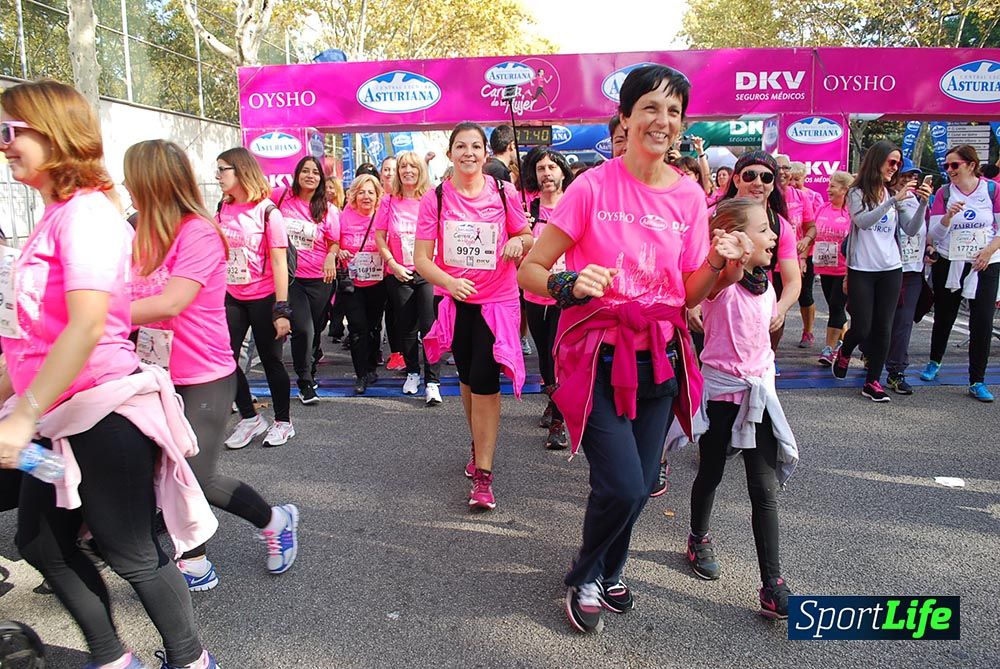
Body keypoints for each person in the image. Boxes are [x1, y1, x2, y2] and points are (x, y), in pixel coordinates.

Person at [0, 80, 219, 669]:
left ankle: (191, 660)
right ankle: (113, 658)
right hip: (55, 424)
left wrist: (20, 417)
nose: (4, 144)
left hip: (101, 418)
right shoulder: (55, 216)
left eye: (11, 131)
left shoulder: (88, 215)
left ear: (55, 135)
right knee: (40, 543)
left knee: (133, 553)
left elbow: (88, 325)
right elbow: (29, 341)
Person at [518, 65, 742, 635]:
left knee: (641, 485)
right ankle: (586, 575)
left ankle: (610, 568)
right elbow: (531, 270)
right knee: (619, 483)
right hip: (596, 357)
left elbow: (688, 291)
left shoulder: (689, 195)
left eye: (673, 112)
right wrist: (570, 283)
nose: (662, 121)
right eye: (650, 108)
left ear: (683, 124)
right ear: (625, 117)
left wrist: (720, 264)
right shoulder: (591, 187)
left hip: (660, 356)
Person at [126, 140, 299, 591]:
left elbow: (173, 300)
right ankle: (194, 559)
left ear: (154, 180)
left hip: (203, 373)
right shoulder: (138, 231)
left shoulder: (198, 232)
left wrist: (94, 314)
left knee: (197, 474)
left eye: (132, 177)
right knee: (160, 467)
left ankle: (274, 521)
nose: (126, 185)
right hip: (152, 370)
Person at [685, 197, 799, 620]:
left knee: (763, 491)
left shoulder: (764, 280)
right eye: (764, 229)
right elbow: (714, 284)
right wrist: (724, 260)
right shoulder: (721, 281)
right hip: (722, 395)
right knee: (711, 472)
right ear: (736, 238)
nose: (773, 235)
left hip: (760, 394)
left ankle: (772, 584)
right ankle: (698, 536)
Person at [415, 122, 532, 511]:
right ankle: (478, 442)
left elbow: (527, 236)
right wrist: (450, 281)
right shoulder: (435, 198)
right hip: (456, 301)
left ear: (485, 153)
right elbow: (421, 259)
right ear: (450, 153)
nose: (469, 153)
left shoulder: (503, 191)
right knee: (467, 378)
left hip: (497, 302)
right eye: (461, 146)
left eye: (476, 146)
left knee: (485, 381)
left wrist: (517, 241)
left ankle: (484, 475)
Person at [832, 140, 930, 401]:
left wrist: (922, 204)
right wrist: (892, 201)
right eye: (892, 162)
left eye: (898, 163)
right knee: (862, 327)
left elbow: (910, 229)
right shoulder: (857, 192)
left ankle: (872, 381)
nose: (895, 167)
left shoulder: (892, 194)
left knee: (885, 326)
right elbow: (863, 221)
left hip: (891, 268)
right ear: (877, 161)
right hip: (862, 268)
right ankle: (845, 350)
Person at [216, 147, 294, 447]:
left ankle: (283, 422)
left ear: (240, 171)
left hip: (264, 297)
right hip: (232, 296)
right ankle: (249, 417)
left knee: (272, 362)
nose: (217, 176)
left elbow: (279, 263)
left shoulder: (268, 212)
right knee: (225, 359)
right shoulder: (223, 208)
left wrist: (281, 310)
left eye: (222, 169)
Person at [921, 144, 1000, 402]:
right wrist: (947, 218)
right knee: (945, 315)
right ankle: (934, 361)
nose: (949, 170)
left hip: (984, 262)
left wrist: (988, 251)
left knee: (982, 321)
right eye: (946, 165)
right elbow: (933, 234)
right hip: (950, 260)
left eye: (955, 165)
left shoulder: (992, 189)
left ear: (971, 165)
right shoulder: (944, 193)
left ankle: (977, 380)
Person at [717, 152, 801, 374]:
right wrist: (694, 305)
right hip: (717, 310)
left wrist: (779, 310)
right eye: (750, 175)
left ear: (773, 185)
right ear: (736, 180)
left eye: (766, 177)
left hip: (760, 311)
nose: (758, 182)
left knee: (759, 373)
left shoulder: (780, 226)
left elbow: (793, 280)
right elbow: (690, 264)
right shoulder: (712, 216)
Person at [374, 151, 443, 404]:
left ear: (420, 170)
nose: (408, 171)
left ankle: (432, 381)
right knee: (406, 326)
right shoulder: (388, 200)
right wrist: (392, 264)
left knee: (429, 326)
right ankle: (413, 372)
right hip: (399, 272)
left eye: (413, 166)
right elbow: (379, 236)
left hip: (427, 272)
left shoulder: (431, 198)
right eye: (403, 167)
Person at [274, 156, 340, 404]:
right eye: (305, 171)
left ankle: (309, 371)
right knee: (303, 328)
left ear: (321, 178)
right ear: (297, 174)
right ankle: (304, 382)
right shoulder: (281, 197)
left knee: (315, 329)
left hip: (320, 278)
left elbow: (334, 242)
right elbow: (255, 199)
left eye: (315, 172)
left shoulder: (328, 209)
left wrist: (331, 256)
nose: (310, 176)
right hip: (291, 278)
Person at [521, 146, 574, 449]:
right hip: (534, 293)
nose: (546, 173)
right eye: (541, 168)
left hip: (564, 296)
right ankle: (554, 402)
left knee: (559, 355)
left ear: (563, 172)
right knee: (544, 356)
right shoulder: (529, 210)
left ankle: (558, 421)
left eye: (552, 167)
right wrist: (521, 231)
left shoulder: (573, 205)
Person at [883, 159, 928, 394]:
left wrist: (930, 248)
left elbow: (916, 231)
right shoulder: (881, 198)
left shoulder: (918, 200)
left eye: (914, 177)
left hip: (912, 271)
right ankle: (869, 353)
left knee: (903, 323)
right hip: (883, 269)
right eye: (905, 175)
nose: (910, 180)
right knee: (876, 321)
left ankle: (896, 371)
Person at [339, 174, 386, 394]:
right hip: (352, 283)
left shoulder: (382, 215)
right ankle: (361, 375)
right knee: (357, 328)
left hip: (377, 282)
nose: (366, 196)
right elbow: (333, 243)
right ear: (354, 195)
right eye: (361, 192)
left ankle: (371, 366)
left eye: (370, 192)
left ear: (377, 196)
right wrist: (339, 251)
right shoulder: (344, 216)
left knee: (374, 327)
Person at [812, 171, 853, 366]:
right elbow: (814, 228)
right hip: (825, 266)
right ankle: (845, 342)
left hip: (844, 268)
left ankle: (829, 349)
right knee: (834, 307)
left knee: (837, 305)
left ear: (844, 190)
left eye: (832, 186)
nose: (828, 189)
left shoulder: (851, 211)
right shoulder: (823, 207)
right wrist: (805, 243)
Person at [778, 157, 818, 349]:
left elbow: (811, 228)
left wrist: (805, 243)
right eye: (778, 168)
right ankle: (771, 348)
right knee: (776, 304)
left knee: (805, 296)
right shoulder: (766, 196)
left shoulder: (801, 197)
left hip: (799, 258)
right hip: (773, 262)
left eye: (786, 168)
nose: (782, 172)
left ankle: (808, 332)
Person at [379, 156, 406, 372]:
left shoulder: (411, 197)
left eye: (393, 169)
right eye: (386, 169)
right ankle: (394, 352)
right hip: (378, 265)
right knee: (389, 311)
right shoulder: (374, 195)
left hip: (403, 265)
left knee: (403, 312)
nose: (389, 173)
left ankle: (407, 353)